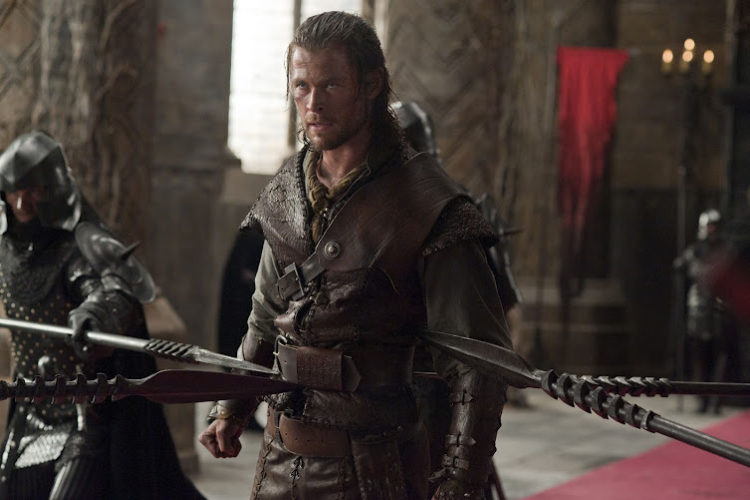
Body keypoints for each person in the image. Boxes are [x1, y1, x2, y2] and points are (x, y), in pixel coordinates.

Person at [200, 11, 512, 499]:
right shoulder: (287, 189)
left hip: (376, 470)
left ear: (371, 85)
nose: (313, 104)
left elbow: (479, 361)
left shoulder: (429, 205)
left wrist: (461, 480)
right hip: (280, 462)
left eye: (331, 84)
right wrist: (233, 407)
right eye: (301, 86)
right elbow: (265, 316)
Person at [0, 131, 204, 499]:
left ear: (53, 189)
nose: (21, 202)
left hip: (82, 417)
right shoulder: (7, 248)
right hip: (29, 413)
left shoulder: (83, 244)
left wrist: (94, 314)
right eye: (14, 191)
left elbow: (113, 290)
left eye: (32, 190)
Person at [674, 209, 732, 413]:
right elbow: (682, 266)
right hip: (698, 309)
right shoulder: (694, 251)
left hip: (718, 308)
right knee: (699, 356)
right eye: (709, 226)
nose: (712, 230)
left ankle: (716, 399)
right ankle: (701, 398)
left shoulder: (725, 252)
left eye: (715, 226)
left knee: (719, 355)